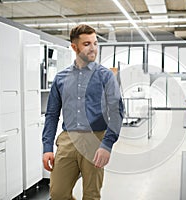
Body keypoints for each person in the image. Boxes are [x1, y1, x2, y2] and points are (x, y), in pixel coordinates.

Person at [42, 24, 124, 200]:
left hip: (95, 140)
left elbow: (116, 112)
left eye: (95, 43)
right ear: (74, 47)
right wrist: (47, 147)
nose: (93, 48)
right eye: (87, 44)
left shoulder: (105, 76)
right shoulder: (61, 78)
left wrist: (107, 144)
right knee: (58, 193)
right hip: (67, 140)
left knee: (91, 195)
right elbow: (52, 114)